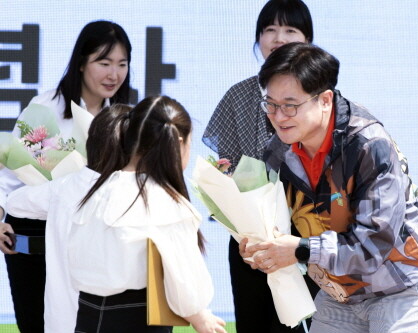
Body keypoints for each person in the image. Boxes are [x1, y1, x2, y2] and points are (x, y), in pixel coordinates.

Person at [239, 42, 418, 333]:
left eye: (290, 105)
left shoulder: (369, 146)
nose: (278, 116)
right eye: (271, 104)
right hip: (340, 290)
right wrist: (260, 243)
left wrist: (299, 250)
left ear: (325, 100)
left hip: (402, 283)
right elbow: (277, 222)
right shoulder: (277, 152)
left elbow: (374, 245)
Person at [0, 20, 132, 332]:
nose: (114, 74)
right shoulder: (48, 109)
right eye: (104, 62)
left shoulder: (125, 116)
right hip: (37, 242)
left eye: (122, 64)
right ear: (82, 63)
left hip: (96, 244)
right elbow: (10, 176)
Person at [202, 1, 319, 331]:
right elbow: (227, 168)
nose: (278, 38)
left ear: (307, 41)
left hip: (306, 234)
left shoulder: (321, 98)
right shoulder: (238, 95)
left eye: (289, 30)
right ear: (258, 40)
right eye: (269, 30)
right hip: (250, 238)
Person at [65, 96, 227, 333]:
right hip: (139, 320)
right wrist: (200, 317)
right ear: (179, 142)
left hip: (88, 316)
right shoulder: (167, 203)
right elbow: (187, 290)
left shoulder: (100, 189)